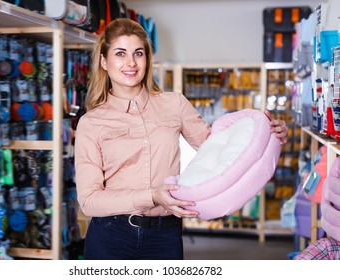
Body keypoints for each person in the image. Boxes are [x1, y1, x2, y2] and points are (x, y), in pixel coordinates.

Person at [74, 18, 289, 260]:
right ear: (104, 61)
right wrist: (152, 195)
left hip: (165, 236)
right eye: (120, 53)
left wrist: (268, 135)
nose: (131, 63)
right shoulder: (91, 123)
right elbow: (90, 201)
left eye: (138, 53)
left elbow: (217, 149)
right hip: (111, 237)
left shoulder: (174, 103)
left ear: (147, 59)